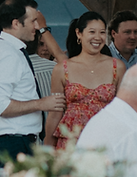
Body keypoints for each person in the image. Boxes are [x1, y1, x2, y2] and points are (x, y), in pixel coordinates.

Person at [0, 0, 64, 163]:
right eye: (33, 21)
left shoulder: (7, 49)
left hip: (12, 140)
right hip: (12, 141)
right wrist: (41, 104)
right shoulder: (7, 54)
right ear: (16, 23)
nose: (37, 27)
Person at [46, 11, 124, 149]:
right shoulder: (62, 69)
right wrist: (47, 150)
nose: (97, 37)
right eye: (92, 32)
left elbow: (123, 110)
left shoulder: (117, 67)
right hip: (71, 143)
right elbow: (54, 114)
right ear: (79, 33)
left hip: (105, 141)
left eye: (102, 32)